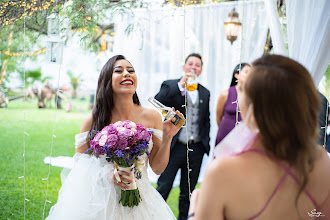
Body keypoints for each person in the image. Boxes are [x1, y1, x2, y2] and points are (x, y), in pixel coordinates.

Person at [188, 55, 330, 219]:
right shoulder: (320, 160)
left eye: (241, 89)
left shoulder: (221, 171)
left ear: (253, 104)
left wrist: (194, 211)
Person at [46, 55, 184, 220]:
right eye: (119, 71)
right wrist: (107, 175)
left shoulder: (152, 116)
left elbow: (158, 168)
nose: (127, 74)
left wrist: (168, 137)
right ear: (107, 80)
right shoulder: (94, 119)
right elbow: (79, 163)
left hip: (142, 201)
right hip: (101, 201)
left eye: (131, 70)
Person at [154, 53, 210, 220]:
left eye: (197, 65)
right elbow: (158, 100)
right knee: (164, 186)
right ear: (184, 66)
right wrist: (180, 85)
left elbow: (205, 120)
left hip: (196, 148)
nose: (194, 67)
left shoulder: (205, 92)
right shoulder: (170, 85)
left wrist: (205, 143)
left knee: (188, 192)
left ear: (200, 70)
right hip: (175, 146)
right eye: (190, 63)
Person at [215, 63, 251, 146]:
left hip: (244, 138)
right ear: (237, 75)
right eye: (246, 72)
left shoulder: (252, 96)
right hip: (225, 135)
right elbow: (218, 117)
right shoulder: (226, 94)